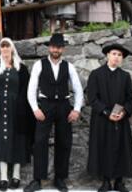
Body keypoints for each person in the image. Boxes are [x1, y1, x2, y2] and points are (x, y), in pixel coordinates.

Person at [24, 33, 84, 192]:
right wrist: (35, 109)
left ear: (62, 49)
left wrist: (77, 109)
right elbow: (31, 89)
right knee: (39, 142)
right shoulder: (39, 64)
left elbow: (78, 89)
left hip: (64, 105)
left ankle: (60, 179)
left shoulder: (69, 66)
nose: (55, 49)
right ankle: (37, 179)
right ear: (49, 48)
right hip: (45, 104)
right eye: (53, 46)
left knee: (64, 142)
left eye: (58, 47)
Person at [87, 43, 132, 192]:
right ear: (107, 55)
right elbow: (92, 98)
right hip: (102, 119)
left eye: (119, 55)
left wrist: (124, 112)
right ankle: (106, 181)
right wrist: (106, 112)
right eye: (114, 54)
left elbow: (130, 99)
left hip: (120, 120)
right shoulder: (96, 74)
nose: (116, 57)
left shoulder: (125, 76)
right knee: (103, 148)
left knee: (121, 148)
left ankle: (119, 182)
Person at [0, 38, 33, 191]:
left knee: (17, 138)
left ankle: (16, 175)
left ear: (12, 48)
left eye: (7, 46)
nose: (5, 49)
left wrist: (21, 106)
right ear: (0, 49)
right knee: (2, 138)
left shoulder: (21, 68)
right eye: (3, 46)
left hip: (18, 108)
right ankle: (4, 177)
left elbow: (27, 89)